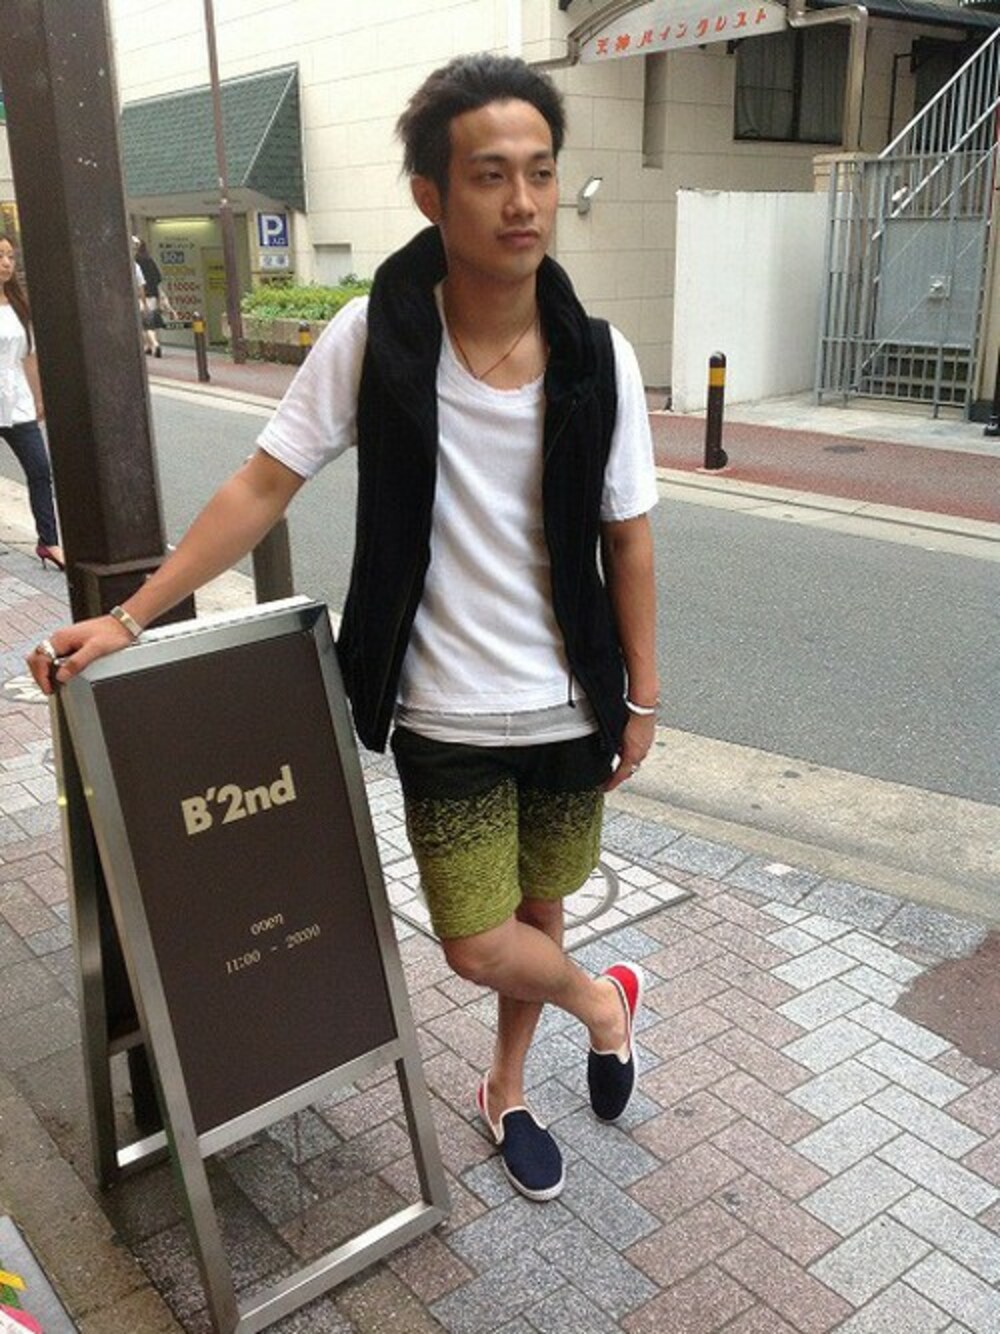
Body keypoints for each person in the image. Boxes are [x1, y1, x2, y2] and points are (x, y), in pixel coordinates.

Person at [28, 54, 659, 1203]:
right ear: (431, 194)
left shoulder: (598, 357)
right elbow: (262, 485)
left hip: (572, 703)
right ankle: (603, 1001)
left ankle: (506, 1087)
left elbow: (628, 539)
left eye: (539, 172)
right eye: (489, 175)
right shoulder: (377, 338)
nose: (522, 201)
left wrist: (643, 698)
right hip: (441, 708)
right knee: (475, 940)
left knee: (542, 906)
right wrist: (127, 615)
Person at [0, 234, 65, 571]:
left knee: (40, 470)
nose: (6, 263)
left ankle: (49, 542)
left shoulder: (19, 306)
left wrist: (39, 397)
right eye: (0, 256)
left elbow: (30, 357)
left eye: (10, 256)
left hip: (17, 402)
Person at [134, 237, 163, 357]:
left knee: (144, 324)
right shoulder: (150, 260)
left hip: (142, 296)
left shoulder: (135, 262)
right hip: (153, 296)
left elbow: (140, 283)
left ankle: (153, 344)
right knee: (150, 322)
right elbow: (158, 278)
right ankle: (150, 345)